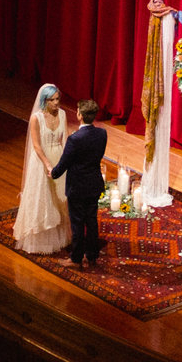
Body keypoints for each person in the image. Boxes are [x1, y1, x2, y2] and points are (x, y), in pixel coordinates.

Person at [49, 100, 110, 268]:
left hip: (77, 187)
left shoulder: (75, 139)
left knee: (77, 223)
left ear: (80, 116)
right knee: (91, 221)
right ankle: (91, 255)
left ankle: (75, 258)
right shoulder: (102, 134)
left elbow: (65, 162)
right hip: (94, 184)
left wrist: (53, 173)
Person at [12, 83, 71, 255]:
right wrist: (47, 164)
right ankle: (41, 238)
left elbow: (65, 139)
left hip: (58, 157)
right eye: (52, 100)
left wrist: (66, 161)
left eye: (58, 99)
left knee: (59, 197)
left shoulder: (63, 114)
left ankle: (60, 236)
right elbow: (37, 145)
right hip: (42, 160)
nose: (56, 103)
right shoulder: (36, 118)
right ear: (44, 101)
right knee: (43, 198)